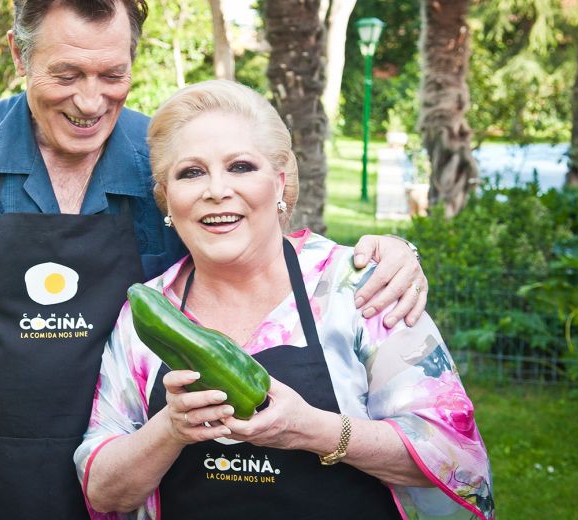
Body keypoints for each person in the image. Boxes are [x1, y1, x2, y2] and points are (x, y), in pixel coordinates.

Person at [0, 2, 428, 519]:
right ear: (19, 57)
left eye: (113, 75)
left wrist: (386, 254)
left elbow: (256, 240)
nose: (89, 101)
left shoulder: (171, 161)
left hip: (140, 476)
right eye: (66, 75)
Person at [75, 80, 494, 520]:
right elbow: (103, 492)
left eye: (240, 166)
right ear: (167, 198)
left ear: (279, 183)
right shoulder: (144, 316)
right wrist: (170, 428)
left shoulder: (362, 288)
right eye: (191, 173)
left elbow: (457, 458)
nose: (216, 190)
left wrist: (311, 430)